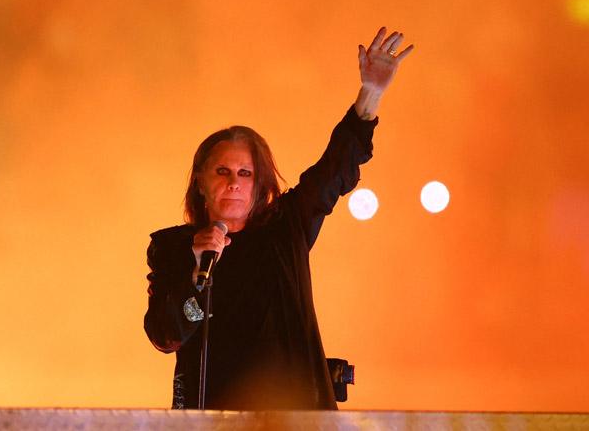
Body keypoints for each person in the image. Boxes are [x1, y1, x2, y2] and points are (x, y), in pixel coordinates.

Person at [143, 27, 414, 410]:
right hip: (212, 418)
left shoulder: (286, 229)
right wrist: (194, 276)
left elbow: (333, 170)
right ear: (200, 181)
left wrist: (371, 93)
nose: (233, 183)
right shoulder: (173, 249)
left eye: (245, 174)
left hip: (293, 417)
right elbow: (165, 334)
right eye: (222, 172)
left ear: (259, 184)